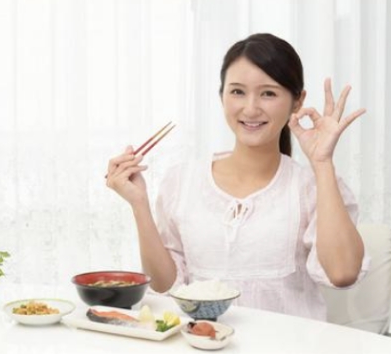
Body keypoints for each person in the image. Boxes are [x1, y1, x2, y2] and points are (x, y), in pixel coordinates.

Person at [105, 33, 368, 320]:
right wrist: (139, 205)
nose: (251, 108)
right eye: (237, 92)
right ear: (222, 96)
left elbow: (342, 274)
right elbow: (165, 286)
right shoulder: (182, 182)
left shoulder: (312, 185)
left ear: (297, 101)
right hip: (202, 343)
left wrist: (322, 163)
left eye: (268, 93)